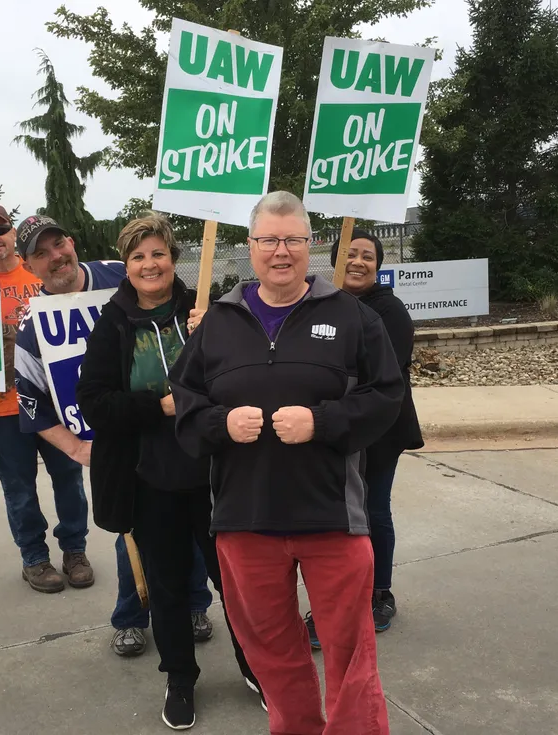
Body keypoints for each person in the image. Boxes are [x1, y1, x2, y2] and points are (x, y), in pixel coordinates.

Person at [170, 191, 404, 735]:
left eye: (293, 239)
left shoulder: (353, 317)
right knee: (272, 653)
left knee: (350, 655)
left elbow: (387, 397)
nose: (282, 251)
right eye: (269, 240)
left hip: (332, 519)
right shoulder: (218, 323)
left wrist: (322, 423)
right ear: (249, 248)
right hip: (244, 519)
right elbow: (184, 401)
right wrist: (219, 425)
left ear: (310, 245)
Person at [76, 212, 262, 730]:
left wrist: (220, 337)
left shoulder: (210, 311)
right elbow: (94, 401)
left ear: (173, 258)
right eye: (137, 256)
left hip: (217, 475)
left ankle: (258, 668)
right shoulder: (112, 324)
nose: (149, 264)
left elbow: (246, 382)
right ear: (127, 267)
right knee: (167, 586)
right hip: (150, 479)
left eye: (157, 253)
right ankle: (180, 678)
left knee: (236, 580)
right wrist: (153, 407)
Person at [11, 214, 215, 659]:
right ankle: (131, 616)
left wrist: (208, 321)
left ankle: (196, 605)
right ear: (28, 264)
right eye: (40, 254)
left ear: (70, 241)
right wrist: (75, 447)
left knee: (199, 525)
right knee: (134, 533)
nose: (54, 257)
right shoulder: (32, 325)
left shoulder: (116, 271)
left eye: (57, 244)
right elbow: (30, 400)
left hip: (190, 436)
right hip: (121, 435)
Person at [0, 203, 94, 595]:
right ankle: (34, 558)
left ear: (13, 235)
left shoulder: (43, 274)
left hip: (54, 405)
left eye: (0, 228)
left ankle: (75, 551)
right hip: (1, 411)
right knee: (20, 490)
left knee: (69, 481)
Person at [302, 229, 424, 645]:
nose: (357, 261)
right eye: (349, 254)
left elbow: (375, 377)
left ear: (378, 265)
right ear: (335, 259)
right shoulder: (319, 304)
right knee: (333, 523)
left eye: (367, 256)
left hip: (379, 431)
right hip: (332, 429)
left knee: (371, 510)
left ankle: (378, 594)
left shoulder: (389, 311)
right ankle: (332, 604)